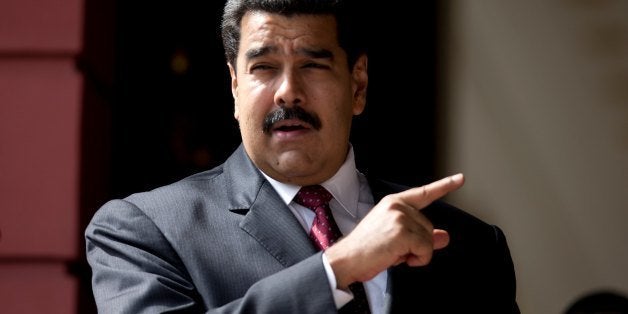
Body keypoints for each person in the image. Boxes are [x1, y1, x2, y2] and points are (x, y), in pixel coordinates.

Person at [85, 0, 520, 313]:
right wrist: (341, 267)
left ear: (358, 85)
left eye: (313, 65)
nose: (288, 91)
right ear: (235, 87)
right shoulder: (145, 230)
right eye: (264, 67)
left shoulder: (468, 246)